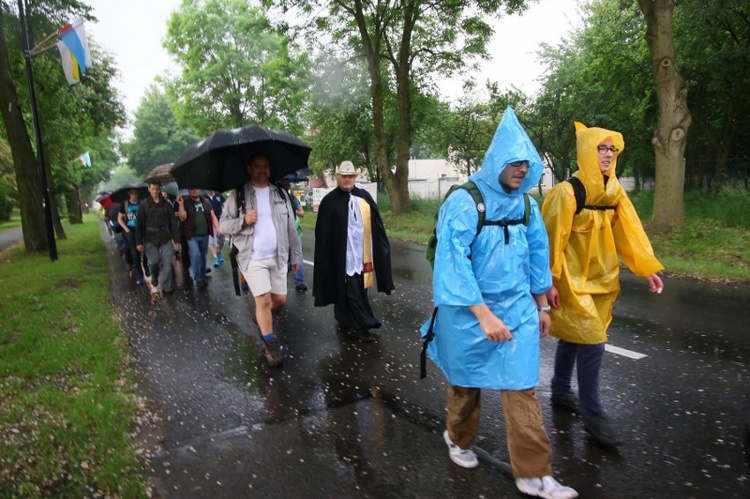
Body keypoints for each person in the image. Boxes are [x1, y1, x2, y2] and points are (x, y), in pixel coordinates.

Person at [421, 107, 577, 499]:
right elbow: (452, 264)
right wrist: (483, 313)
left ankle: (534, 474)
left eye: (528, 163)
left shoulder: (526, 205)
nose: (523, 170)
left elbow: (537, 256)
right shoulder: (464, 201)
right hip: (468, 314)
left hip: (517, 310)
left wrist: (542, 305)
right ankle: (457, 439)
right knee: (466, 386)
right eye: (515, 162)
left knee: (521, 386)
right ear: (497, 162)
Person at [542, 122, 664, 448]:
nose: (608, 154)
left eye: (612, 149)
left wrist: (646, 268)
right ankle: (594, 417)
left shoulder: (614, 192)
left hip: (603, 278)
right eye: (602, 148)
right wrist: (549, 282)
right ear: (587, 151)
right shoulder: (566, 193)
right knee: (593, 339)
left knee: (575, 336)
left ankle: (559, 390)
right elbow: (550, 240)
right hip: (570, 279)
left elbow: (630, 231)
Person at [220, 153, 302, 366]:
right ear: (249, 169)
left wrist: (296, 255)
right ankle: (270, 345)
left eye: (265, 166)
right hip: (252, 257)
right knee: (263, 300)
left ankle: (261, 318)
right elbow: (223, 226)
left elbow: (291, 227)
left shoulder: (281, 194)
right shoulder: (238, 195)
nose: (262, 170)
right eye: (257, 166)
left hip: (278, 256)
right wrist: (243, 220)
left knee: (280, 299)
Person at [313, 161, 394, 343]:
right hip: (343, 256)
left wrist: (379, 250)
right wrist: (328, 259)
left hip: (362, 253)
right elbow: (323, 233)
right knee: (351, 291)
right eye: (344, 176)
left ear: (355, 178)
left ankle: (344, 318)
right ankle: (364, 325)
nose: (348, 180)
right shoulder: (329, 201)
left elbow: (376, 226)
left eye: (351, 176)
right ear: (337, 178)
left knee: (360, 290)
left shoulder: (364, 197)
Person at [136, 181, 181, 295]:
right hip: (149, 237)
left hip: (165, 236)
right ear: (149, 190)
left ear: (160, 190)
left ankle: (166, 285)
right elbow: (139, 224)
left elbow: (173, 223)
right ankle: (154, 276)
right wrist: (139, 242)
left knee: (167, 262)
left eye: (157, 189)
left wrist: (176, 240)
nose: (155, 191)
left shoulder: (167, 204)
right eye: (153, 189)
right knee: (153, 262)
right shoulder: (144, 205)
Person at [177, 188, 220, 289]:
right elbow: (182, 218)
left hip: (204, 234)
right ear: (188, 191)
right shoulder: (186, 202)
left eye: (196, 189)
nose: (194, 191)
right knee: (195, 254)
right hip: (191, 235)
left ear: (199, 190)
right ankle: (198, 278)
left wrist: (217, 227)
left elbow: (212, 216)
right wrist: (181, 204)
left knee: (203, 256)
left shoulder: (206, 202)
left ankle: (203, 276)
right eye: (191, 189)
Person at [278, 178, 307, 292]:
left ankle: (299, 281)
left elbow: (302, 213)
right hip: (281, 233)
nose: (287, 184)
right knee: (282, 257)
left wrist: (292, 210)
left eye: (287, 182)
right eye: (284, 182)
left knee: (297, 255)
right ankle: (280, 281)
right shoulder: (276, 198)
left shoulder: (293, 198)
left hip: (294, 231)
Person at [118, 188, 147, 285]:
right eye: (132, 193)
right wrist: (126, 229)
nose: (134, 195)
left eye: (135, 193)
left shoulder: (142, 203)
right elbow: (119, 218)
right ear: (129, 194)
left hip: (142, 230)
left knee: (146, 250)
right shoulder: (125, 204)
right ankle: (139, 275)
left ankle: (146, 266)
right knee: (135, 253)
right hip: (130, 230)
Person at [207, 190, 226, 268]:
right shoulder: (204, 197)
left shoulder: (218, 195)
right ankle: (215, 258)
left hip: (220, 220)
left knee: (221, 240)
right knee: (211, 240)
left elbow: (225, 205)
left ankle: (219, 253)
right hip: (210, 222)